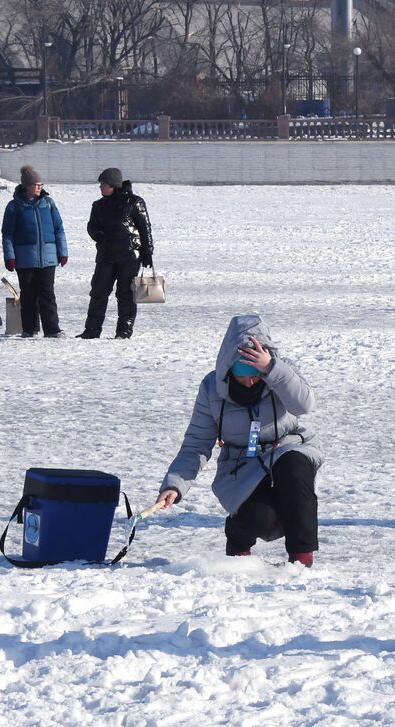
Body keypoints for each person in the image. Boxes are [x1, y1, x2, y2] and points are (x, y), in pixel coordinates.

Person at [154, 315, 322, 566]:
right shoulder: (212, 388)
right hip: (241, 465)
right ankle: (238, 546)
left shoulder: (279, 371)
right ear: (229, 369)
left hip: (286, 448)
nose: (251, 381)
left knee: (296, 469)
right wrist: (174, 486)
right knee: (259, 517)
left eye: (256, 373)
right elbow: (196, 444)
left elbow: (304, 405)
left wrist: (272, 369)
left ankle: (301, 561)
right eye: (243, 374)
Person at [78, 167, 153, 339]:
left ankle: (124, 331)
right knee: (98, 292)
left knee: (125, 294)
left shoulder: (135, 202)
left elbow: (145, 228)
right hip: (106, 256)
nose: (100, 188)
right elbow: (92, 225)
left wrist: (148, 251)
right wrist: (97, 234)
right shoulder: (99, 205)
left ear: (113, 185)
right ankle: (92, 330)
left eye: (103, 184)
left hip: (129, 256)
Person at [1, 165, 69, 338]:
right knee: (29, 294)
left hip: (48, 256)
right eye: (35, 185)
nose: (39, 187)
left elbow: (59, 228)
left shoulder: (48, 203)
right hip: (25, 258)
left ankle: (52, 329)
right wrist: (10, 256)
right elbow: (7, 234)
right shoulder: (14, 206)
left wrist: (62, 251)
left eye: (40, 184)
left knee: (47, 293)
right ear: (26, 186)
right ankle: (29, 329)